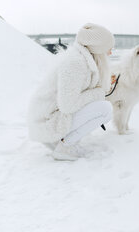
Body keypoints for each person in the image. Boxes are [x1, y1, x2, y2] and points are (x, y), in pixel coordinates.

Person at [27, 23, 115, 161]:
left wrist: (100, 89)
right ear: (97, 48)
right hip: (47, 122)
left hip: (53, 116)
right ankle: (65, 146)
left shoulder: (82, 59)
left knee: (102, 106)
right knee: (105, 109)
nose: (110, 53)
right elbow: (67, 105)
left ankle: (61, 142)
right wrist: (98, 93)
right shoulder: (75, 63)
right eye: (108, 48)